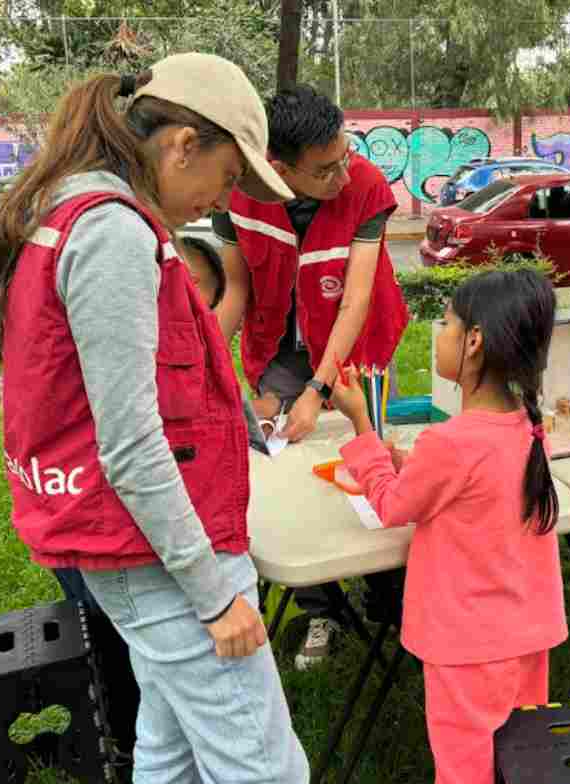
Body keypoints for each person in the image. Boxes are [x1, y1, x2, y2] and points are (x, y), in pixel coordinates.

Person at [0, 54, 308, 784]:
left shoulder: (66, 212)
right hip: (154, 554)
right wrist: (213, 594)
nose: (220, 200)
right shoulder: (114, 233)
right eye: (226, 177)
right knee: (268, 775)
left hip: (128, 545)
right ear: (182, 144)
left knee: (170, 739)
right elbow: (129, 441)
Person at [330, 268, 568, 784]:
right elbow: (477, 488)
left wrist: (362, 430)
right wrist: (409, 462)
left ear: (475, 341)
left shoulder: (451, 443)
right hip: (528, 632)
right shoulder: (528, 426)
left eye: (445, 323)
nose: (438, 333)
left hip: (468, 644)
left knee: (466, 776)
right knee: (519, 764)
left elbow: (393, 505)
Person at [213, 84, 409, 670]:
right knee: (285, 476)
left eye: (345, 156)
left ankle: (387, 598)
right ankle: (319, 607)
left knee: (368, 462)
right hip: (276, 349)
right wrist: (214, 371)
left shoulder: (366, 185)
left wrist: (320, 390)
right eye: (325, 169)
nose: (343, 175)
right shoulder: (238, 196)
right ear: (280, 168)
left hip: (357, 352)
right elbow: (236, 288)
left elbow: (356, 300)